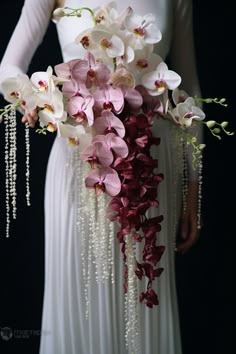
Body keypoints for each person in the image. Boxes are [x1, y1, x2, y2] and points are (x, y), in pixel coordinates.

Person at [0, 0, 203, 353]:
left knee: (144, 294)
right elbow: (9, 65)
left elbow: (190, 90)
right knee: (77, 295)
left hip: (151, 165)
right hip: (81, 159)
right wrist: (33, 97)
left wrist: (193, 185)